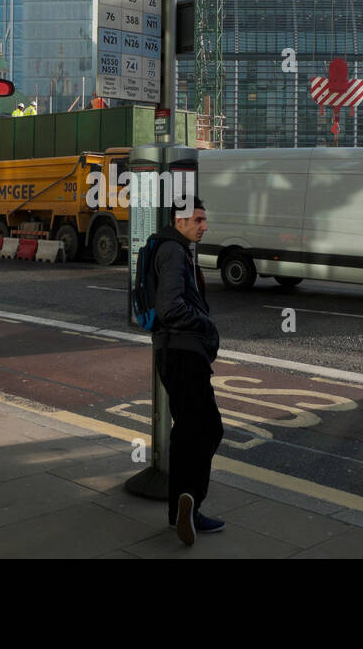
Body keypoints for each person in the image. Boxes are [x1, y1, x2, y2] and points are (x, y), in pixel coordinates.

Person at [149, 196, 224, 545]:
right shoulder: (174, 252)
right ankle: (190, 502)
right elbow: (169, 307)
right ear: (179, 222)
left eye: (204, 220)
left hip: (170, 352)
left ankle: (178, 506)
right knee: (209, 429)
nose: (203, 226)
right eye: (197, 219)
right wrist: (205, 326)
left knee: (186, 431)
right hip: (183, 353)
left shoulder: (169, 248)